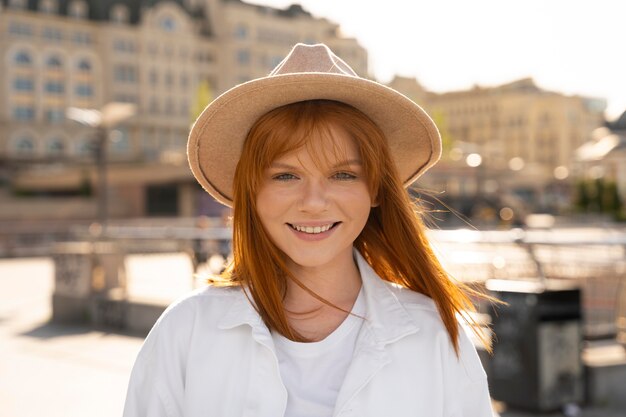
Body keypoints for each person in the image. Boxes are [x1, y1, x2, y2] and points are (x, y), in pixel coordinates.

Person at [123, 43, 494, 417]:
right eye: (286, 175)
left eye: (343, 174)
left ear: (377, 188)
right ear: (252, 190)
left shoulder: (434, 334)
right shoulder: (185, 331)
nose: (314, 202)